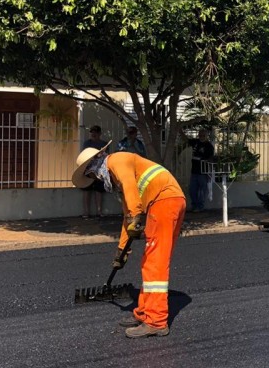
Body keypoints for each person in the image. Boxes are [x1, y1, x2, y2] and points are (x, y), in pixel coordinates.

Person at [72, 144, 186, 338]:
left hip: (165, 202)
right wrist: (122, 251)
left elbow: (132, 208)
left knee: (155, 263)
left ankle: (156, 321)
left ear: (95, 165)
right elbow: (128, 214)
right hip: (165, 202)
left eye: (92, 175)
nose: (96, 180)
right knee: (149, 262)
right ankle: (144, 311)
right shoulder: (122, 177)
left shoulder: (117, 160)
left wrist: (135, 218)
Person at [80, 125, 108, 218]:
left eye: (95, 132)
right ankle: (86, 212)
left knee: (98, 191)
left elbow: (106, 156)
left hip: (99, 170)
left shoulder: (104, 144)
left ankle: (99, 212)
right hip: (88, 169)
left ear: (99, 133)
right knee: (86, 190)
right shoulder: (87, 143)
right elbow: (85, 155)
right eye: (92, 132)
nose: (93, 134)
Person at [186, 129, 215, 212]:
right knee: (192, 190)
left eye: (203, 136)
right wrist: (179, 130)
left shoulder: (209, 146)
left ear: (206, 136)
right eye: (200, 135)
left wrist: (209, 171)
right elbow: (187, 140)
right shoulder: (196, 142)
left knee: (202, 191)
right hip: (194, 171)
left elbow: (211, 158)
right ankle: (194, 205)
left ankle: (200, 207)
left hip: (203, 171)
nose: (201, 137)